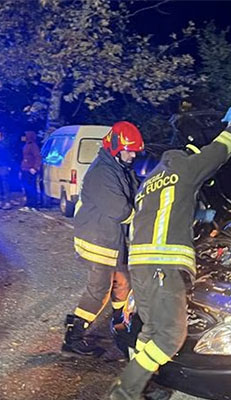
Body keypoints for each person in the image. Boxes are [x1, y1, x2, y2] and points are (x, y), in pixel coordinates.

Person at [107, 107, 231, 400]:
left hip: (141, 267)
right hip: (163, 266)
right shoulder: (186, 168)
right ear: (192, 151)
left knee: (150, 331)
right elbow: (220, 151)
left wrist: (204, 216)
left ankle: (144, 387)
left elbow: (166, 214)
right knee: (170, 337)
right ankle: (124, 393)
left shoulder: (151, 181)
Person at [62, 121, 144, 357]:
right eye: (128, 150)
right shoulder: (102, 173)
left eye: (135, 150)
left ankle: (120, 326)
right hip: (98, 240)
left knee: (123, 283)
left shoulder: (119, 167)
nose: (132, 155)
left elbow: (136, 191)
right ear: (115, 147)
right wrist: (145, 217)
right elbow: (120, 210)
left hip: (111, 239)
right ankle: (73, 337)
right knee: (99, 290)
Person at [20, 130, 42, 209]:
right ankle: (29, 202)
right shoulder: (26, 145)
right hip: (25, 168)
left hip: (30, 169)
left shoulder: (33, 145)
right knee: (26, 186)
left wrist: (35, 168)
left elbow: (37, 157)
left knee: (31, 186)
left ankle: (33, 203)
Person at [0, 131, 12, 209]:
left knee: (5, 184)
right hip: (3, 166)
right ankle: (2, 201)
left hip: (3, 167)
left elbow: (7, 156)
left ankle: (7, 202)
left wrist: (8, 165)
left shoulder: (4, 146)